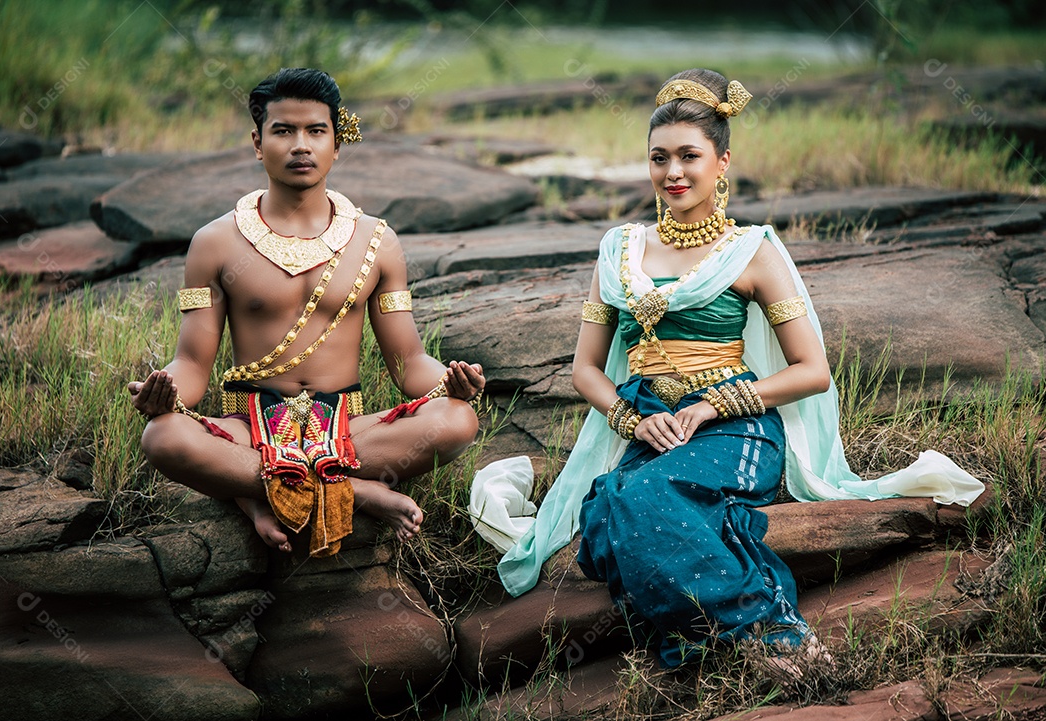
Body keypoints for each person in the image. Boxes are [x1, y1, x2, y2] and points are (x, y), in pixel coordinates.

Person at [479, 68, 983, 667]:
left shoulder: (752, 250)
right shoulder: (620, 251)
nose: (673, 173)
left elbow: (812, 370)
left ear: (722, 162)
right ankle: (713, 625)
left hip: (735, 426)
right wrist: (631, 420)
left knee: (639, 500)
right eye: (658, 158)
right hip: (651, 426)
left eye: (690, 156)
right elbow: (586, 369)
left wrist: (710, 404)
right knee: (602, 513)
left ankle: (770, 631)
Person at [128, 67, 485, 557]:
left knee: (458, 421)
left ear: (336, 144)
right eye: (284, 131)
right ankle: (355, 491)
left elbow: (407, 364)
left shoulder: (376, 241)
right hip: (249, 425)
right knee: (163, 437)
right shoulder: (214, 243)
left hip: (348, 425)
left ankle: (256, 493)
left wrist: (449, 382)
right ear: (258, 142)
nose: (301, 145)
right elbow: (191, 365)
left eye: (316, 131)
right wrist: (162, 391)